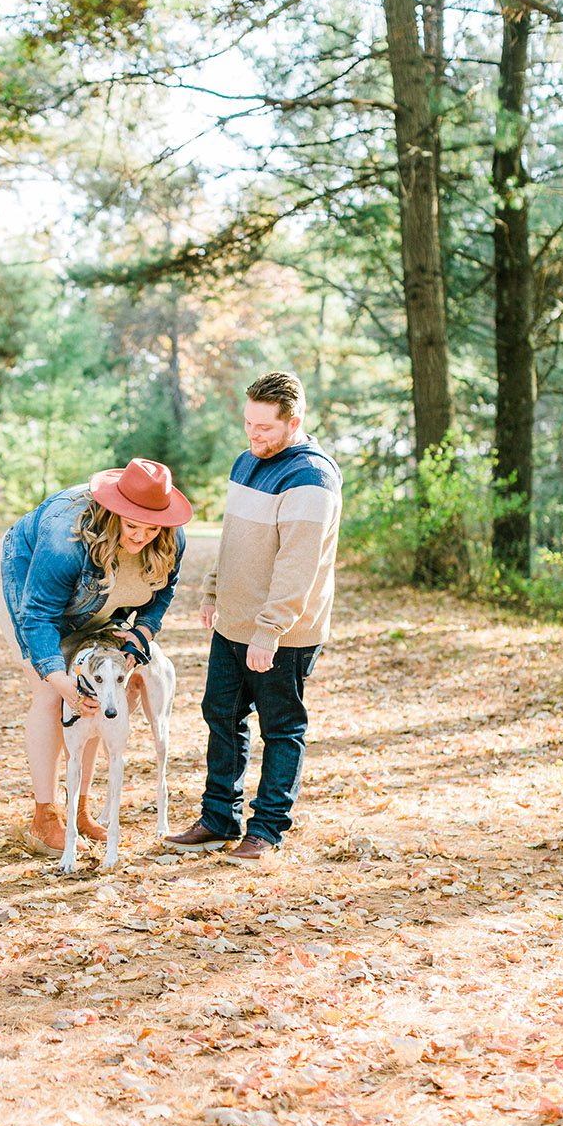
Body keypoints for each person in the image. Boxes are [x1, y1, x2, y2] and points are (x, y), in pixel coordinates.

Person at [164, 370, 342, 865]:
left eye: (265, 428)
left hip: (283, 632)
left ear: (295, 421)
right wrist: (213, 591)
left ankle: (266, 829)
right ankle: (219, 818)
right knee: (222, 716)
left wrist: (270, 631)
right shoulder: (247, 461)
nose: (253, 436)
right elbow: (234, 538)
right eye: (248, 424)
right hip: (233, 622)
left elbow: (297, 565)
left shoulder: (312, 477)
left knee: (280, 728)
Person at [0, 458, 192, 857]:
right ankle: (44, 814)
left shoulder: (170, 538)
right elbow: (38, 615)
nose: (140, 537)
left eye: (151, 528)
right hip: (29, 577)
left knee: (95, 700)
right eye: (131, 525)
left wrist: (142, 632)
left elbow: (164, 593)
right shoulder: (65, 540)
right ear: (114, 511)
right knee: (53, 694)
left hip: (101, 595)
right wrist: (58, 676)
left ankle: (79, 809)